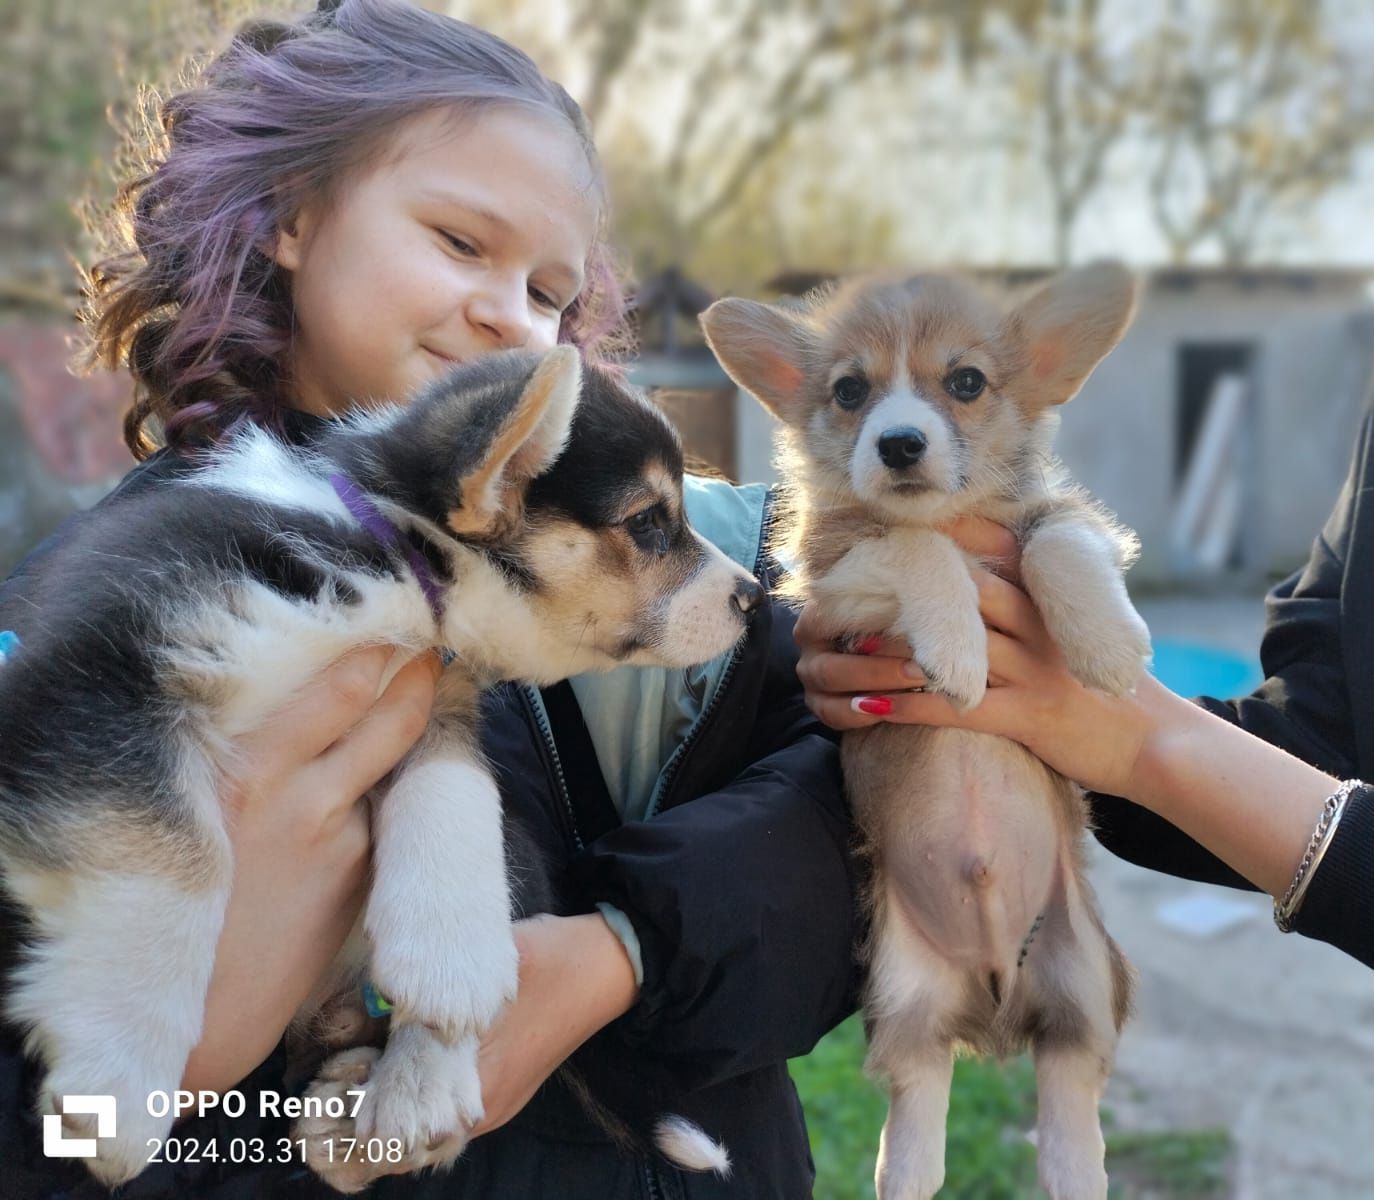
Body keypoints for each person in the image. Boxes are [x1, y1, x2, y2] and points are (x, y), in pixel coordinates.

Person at [0, 2, 859, 1196]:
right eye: (462, 243)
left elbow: (863, 812)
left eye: (552, 292)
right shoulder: (91, 602)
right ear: (293, 216)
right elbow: (57, 1138)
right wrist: (192, 1049)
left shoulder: (666, 555)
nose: (514, 313)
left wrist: (617, 952)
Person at [796, 202, 1374, 1198]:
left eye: (962, 383)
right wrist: (1096, 727)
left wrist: (1125, 716)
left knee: (1074, 1002)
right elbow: (1316, 721)